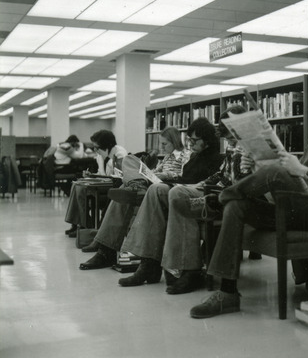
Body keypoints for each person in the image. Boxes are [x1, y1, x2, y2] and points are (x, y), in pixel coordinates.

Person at [190, 85, 308, 319]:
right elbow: (290, 183)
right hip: (296, 206)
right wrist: (257, 167)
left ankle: (219, 199)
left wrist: (301, 170)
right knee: (237, 205)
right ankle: (228, 293)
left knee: (275, 172)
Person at [119, 105, 250, 291]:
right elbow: (221, 175)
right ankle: (149, 263)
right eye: (227, 136)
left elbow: (240, 184)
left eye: (232, 135)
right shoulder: (231, 147)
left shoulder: (251, 149)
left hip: (221, 198)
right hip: (209, 189)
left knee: (177, 194)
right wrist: (198, 185)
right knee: (156, 190)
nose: (230, 140)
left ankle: (188, 270)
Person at [79, 118, 223, 271]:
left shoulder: (215, 159)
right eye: (189, 140)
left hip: (178, 192)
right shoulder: (194, 157)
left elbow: (202, 184)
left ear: (206, 140)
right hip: (170, 185)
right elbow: (182, 175)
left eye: (194, 140)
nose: (191, 144)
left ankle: (121, 252)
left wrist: (169, 178)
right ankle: (105, 248)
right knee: (125, 182)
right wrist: (160, 175)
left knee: (137, 190)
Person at [77, 126, 190, 254]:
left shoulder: (185, 155)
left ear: (174, 141)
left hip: (167, 186)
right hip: (154, 182)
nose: (162, 148)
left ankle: (102, 242)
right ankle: (135, 185)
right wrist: (150, 173)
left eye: (165, 144)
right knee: (129, 161)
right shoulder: (166, 157)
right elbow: (157, 171)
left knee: (124, 188)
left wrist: (167, 175)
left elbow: (186, 176)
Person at [64, 130, 127, 237]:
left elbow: (119, 177)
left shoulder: (119, 154)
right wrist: (91, 174)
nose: (95, 150)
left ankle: (84, 226)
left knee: (80, 189)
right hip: (104, 183)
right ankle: (78, 224)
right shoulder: (100, 155)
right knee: (77, 185)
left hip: (113, 186)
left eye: (97, 147)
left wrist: (99, 176)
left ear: (106, 145)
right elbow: (101, 172)